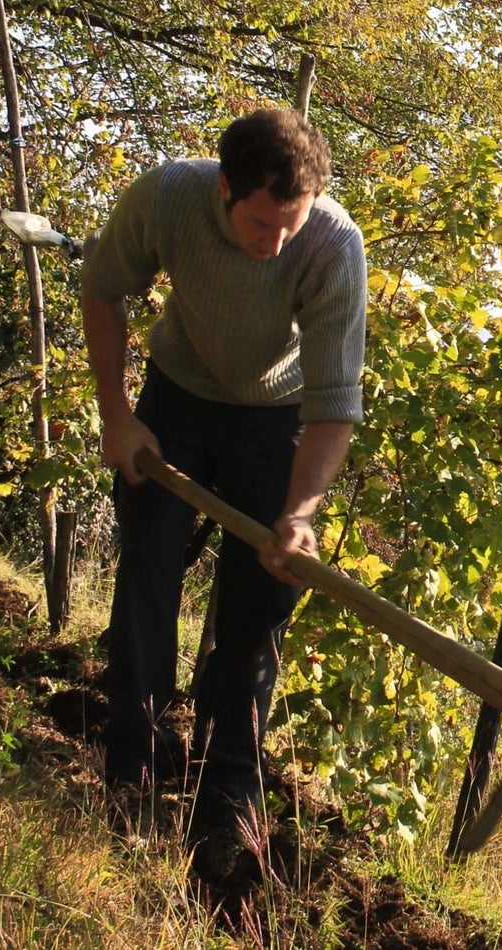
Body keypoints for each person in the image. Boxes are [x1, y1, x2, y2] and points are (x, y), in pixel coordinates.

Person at [79, 107, 366, 878]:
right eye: (262, 224)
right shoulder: (171, 195)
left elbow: (335, 402)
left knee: (258, 605)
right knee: (147, 577)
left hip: (272, 420)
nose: (276, 244)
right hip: (177, 399)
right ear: (225, 189)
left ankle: (226, 808)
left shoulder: (332, 244)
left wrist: (298, 514)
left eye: (290, 226)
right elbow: (104, 287)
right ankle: (132, 774)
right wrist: (118, 415)